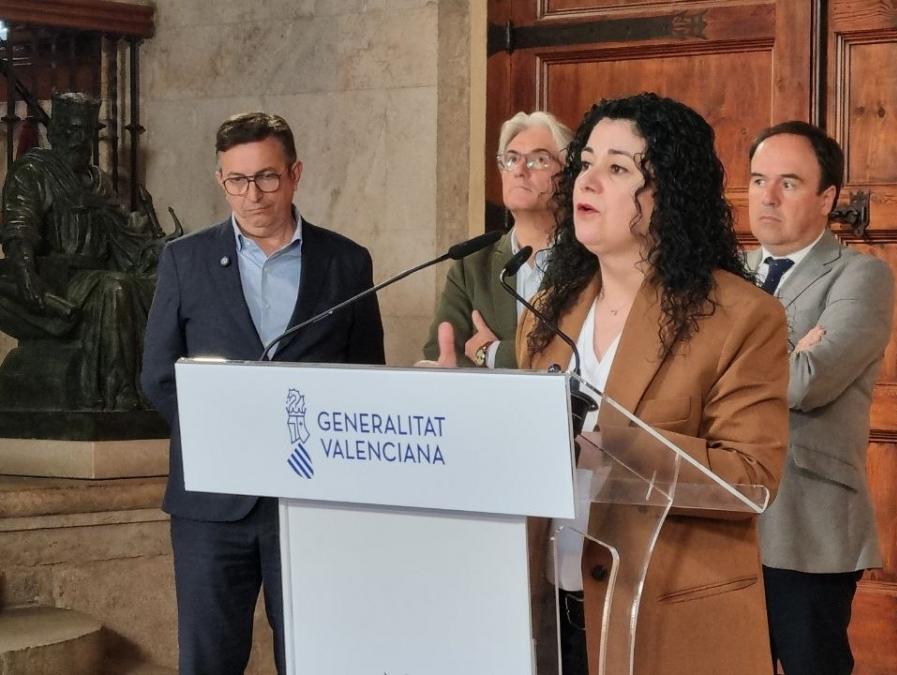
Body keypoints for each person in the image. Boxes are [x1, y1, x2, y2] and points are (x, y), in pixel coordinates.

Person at [519, 93, 789, 675]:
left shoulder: (739, 316)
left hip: (659, 621)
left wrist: (606, 448)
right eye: (584, 162)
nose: (586, 181)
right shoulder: (546, 311)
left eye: (617, 168)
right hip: (545, 612)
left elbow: (751, 480)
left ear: (668, 194)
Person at [140, 112, 385, 675]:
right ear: (221, 181)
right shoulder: (185, 261)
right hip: (211, 506)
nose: (252, 195)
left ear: (295, 174)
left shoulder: (347, 262)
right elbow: (158, 375)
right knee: (208, 660)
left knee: (315, 659)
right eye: (237, 181)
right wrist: (230, 441)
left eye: (267, 177)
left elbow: (367, 379)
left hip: (312, 504)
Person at [746, 121, 896, 675]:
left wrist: (731, 368)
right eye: (759, 179)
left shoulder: (860, 276)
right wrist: (789, 351)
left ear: (827, 197)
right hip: (720, 514)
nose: (766, 195)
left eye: (787, 182)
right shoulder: (724, 275)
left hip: (808, 522)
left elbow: (807, 382)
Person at [0, 92, 165, 409]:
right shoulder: (32, 172)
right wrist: (25, 274)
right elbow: (20, 230)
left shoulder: (97, 181)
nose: (79, 140)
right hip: (57, 280)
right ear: (54, 132)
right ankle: (117, 393)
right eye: (71, 131)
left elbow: (123, 233)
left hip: (95, 272)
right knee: (114, 289)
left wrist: (155, 250)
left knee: (152, 285)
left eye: (86, 133)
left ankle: (151, 387)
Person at [422, 111, 572, 367]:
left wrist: (491, 353)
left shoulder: (591, 261)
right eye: (511, 159)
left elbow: (575, 356)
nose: (520, 170)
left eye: (539, 159)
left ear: (569, 176)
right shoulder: (471, 264)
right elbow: (442, 351)